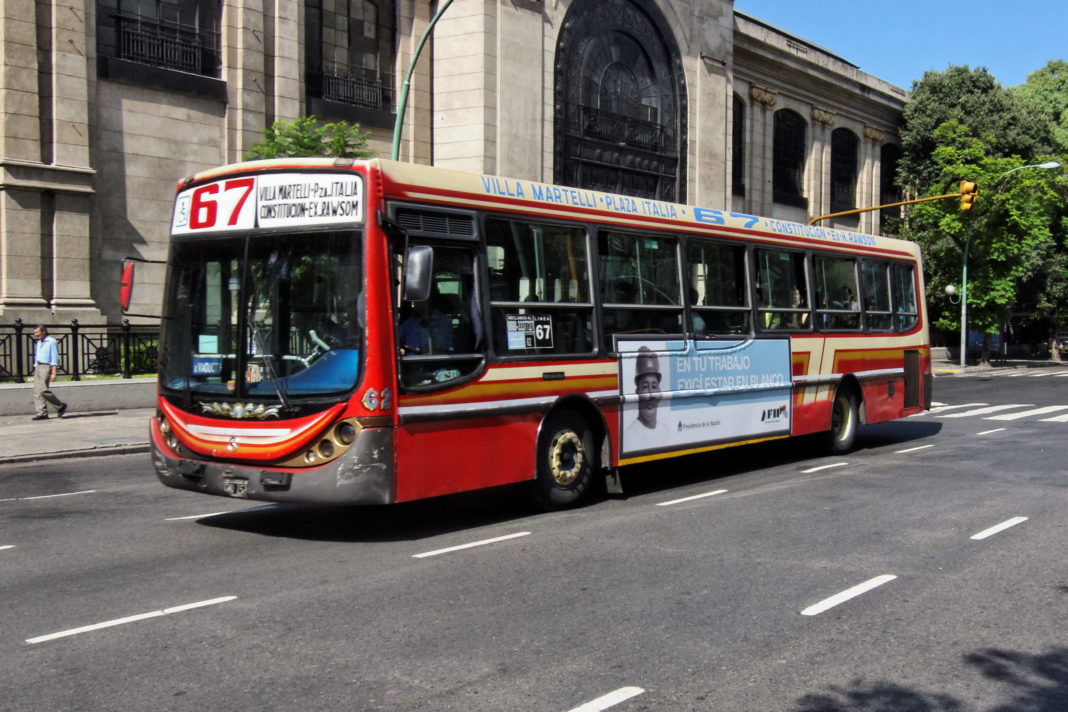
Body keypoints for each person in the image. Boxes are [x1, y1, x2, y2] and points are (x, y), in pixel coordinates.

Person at [31, 324, 67, 420]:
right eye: (35, 333)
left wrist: (53, 372)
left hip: (46, 366)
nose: (36, 335)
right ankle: (41, 413)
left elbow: (54, 357)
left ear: (44, 331)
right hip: (38, 366)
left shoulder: (51, 341)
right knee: (37, 391)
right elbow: (38, 355)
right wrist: (35, 367)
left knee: (43, 390)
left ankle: (60, 405)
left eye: (37, 332)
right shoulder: (39, 342)